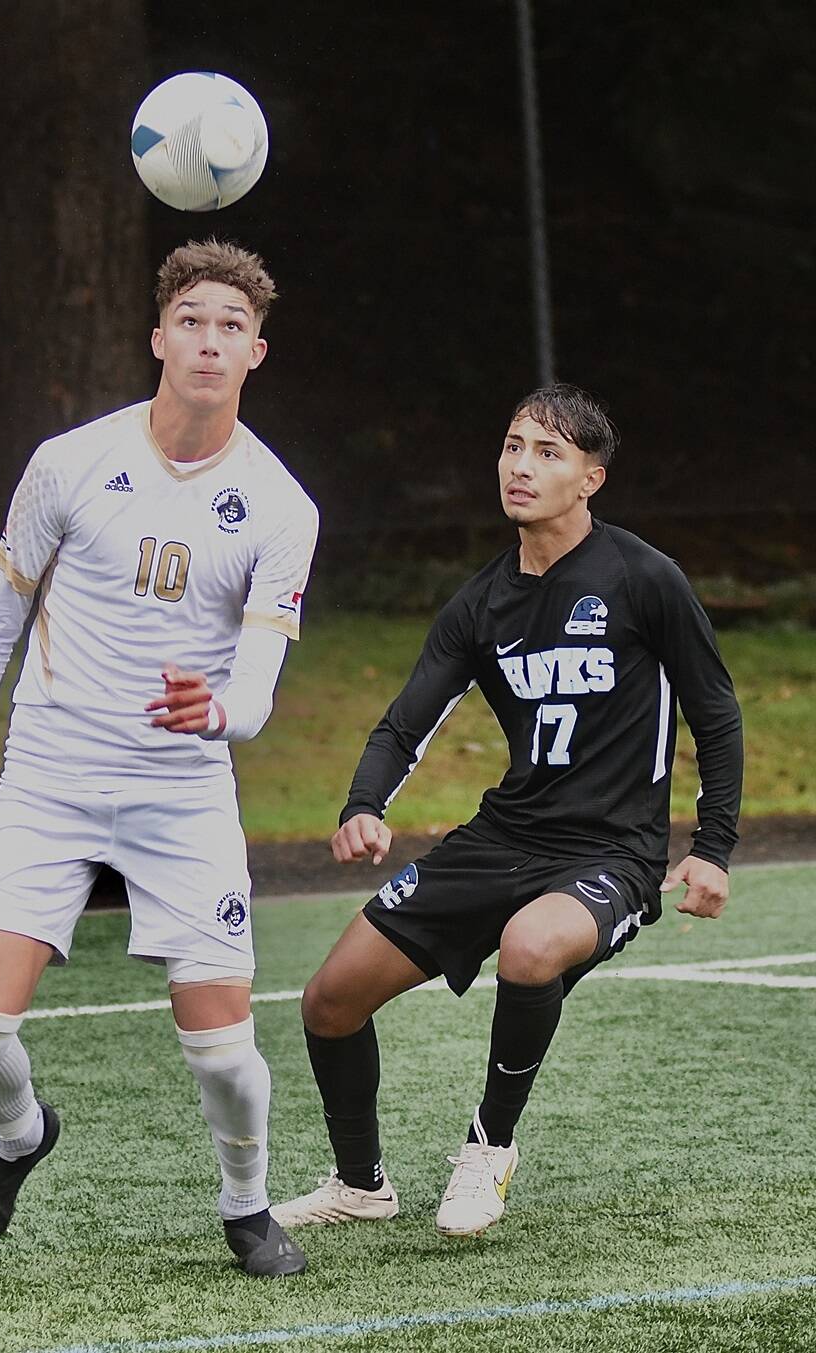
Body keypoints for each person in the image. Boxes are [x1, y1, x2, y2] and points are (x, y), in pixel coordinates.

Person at [0, 238, 318, 1277]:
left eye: (232, 327)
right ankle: (20, 1138)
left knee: (226, 1055)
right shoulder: (69, 462)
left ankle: (244, 1206)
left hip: (180, 794)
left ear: (256, 353)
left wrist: (217, 711)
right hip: (49, 781)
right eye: (192, 321)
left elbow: (259, 686)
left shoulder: (280, 508)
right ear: (157, 337)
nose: (210, 342)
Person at [272, 382, 742, 1238]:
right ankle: (359, 1183)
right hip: (503, 837)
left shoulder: (645, 579)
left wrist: (712, 847)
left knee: (531, 947)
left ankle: (489, 1148)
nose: (521, 466)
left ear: (591, 478)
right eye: (513, 445)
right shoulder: (481, 602)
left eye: (548, 452)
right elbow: (407, 719)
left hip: (613, 853)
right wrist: (364, 803)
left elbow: (716, 711)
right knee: (329, 1000)